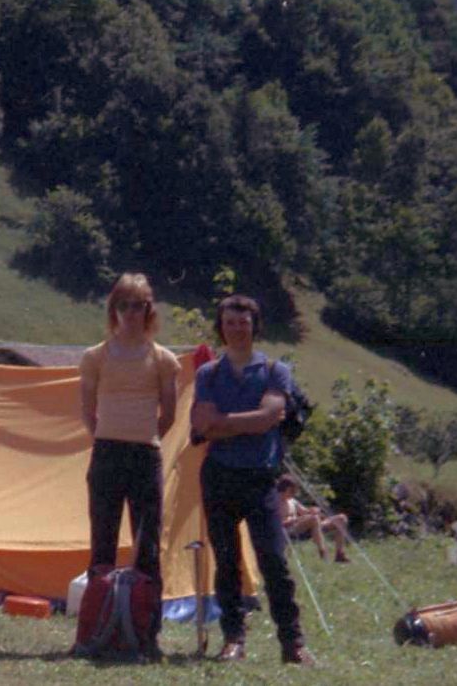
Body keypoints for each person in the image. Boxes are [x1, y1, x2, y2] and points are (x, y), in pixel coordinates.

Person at [190, 294, 315, 666]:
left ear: (254, 327)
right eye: (230, 323)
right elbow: (205, 425)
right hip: (219, 477)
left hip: (261, 480)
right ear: (221, 327)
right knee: (226, 563)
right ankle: (233, 640)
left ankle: (292, 644)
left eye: (243, 323)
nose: (236, 330)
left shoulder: (276, 370)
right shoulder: (208, 373)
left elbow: (269, 416)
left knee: (273, 560)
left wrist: (223, 424)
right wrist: (253, 422)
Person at [78, 273, 180, 660]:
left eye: (139, 306)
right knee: (101, 543)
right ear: (113, 310)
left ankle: (146, 635)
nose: (132, 313)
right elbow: (88, 410)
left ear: (148, 310)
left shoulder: (163, 360)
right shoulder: (95, 357)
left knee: (147, 546)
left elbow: (168, 414)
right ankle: (92, 631)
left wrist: (144, 438)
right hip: (106, 453)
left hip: (145, 456)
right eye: (124, 305)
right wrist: (106, 435)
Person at [278, 475, 350, 563]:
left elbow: (305, 511)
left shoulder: (292, 501)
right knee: (313, 519)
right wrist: (297, 519)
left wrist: (313, 511)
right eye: (292, 491)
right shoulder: (275, 502)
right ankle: (323, 552)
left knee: (341, 518)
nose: (294, 493)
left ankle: (340, 554)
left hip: (308, 526)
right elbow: (277, 523)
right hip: (290, 530)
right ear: (285, 488)